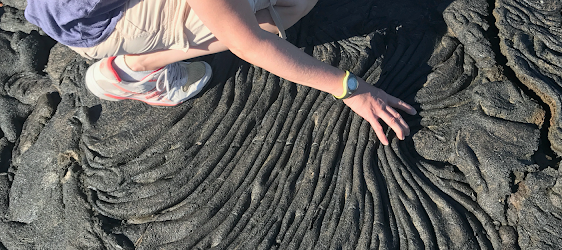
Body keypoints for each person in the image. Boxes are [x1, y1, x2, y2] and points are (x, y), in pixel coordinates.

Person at [24, 0, 416, 145]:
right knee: (289, 7)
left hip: (65, 10)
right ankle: (132, 71)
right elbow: (251, 46)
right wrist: (350, 88)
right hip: (99, 27)